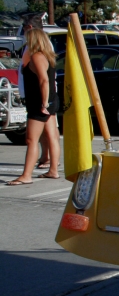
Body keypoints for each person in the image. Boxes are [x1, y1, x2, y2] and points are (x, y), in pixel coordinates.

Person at [7, 28, 60, 185]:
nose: (26, 42)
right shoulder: (47, 56)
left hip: (40, 103)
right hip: (51, 100)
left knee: (31, 139)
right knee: (52, 135)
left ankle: (26, 175)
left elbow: (44, 81)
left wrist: (43, 103)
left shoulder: (36, 56)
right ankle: (53, 170)